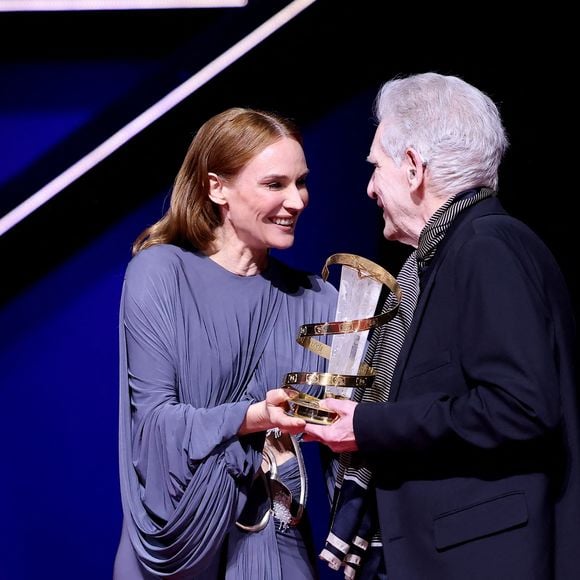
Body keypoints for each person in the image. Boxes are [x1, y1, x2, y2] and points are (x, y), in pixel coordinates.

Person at [304, 72, 580, 579]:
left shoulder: (486, 246)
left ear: (413, 169)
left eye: (376, 168)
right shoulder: (452, 252)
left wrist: (366, 424)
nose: (368, 188)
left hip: (481, 560)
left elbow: (520, 406)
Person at [113, 107, 338, 579]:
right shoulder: (160, 273)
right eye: (275, 184)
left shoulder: (319, 302)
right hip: (177, 543)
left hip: (276, 545)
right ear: (218, 187)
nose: (296, 200)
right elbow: (153, 427)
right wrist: (252, 417)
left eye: (301, 183)